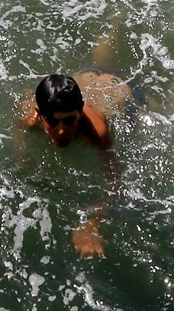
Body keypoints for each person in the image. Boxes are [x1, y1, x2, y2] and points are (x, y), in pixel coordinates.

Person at [16, 69, 144, 257]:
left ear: (80, 113)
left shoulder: (97, 133)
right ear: (40, 114)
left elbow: (116, 180)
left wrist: (94, 222)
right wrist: (24, 156)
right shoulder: (33, 120)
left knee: (164, 107)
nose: (61, 130)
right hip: (86, 78)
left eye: (69, 121)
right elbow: (19, 130)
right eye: (53, 121)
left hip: (121, 88)